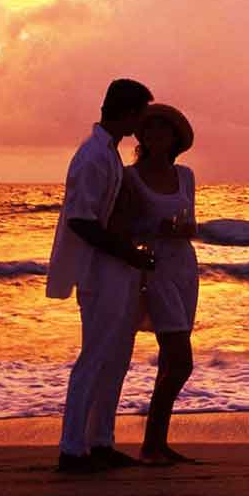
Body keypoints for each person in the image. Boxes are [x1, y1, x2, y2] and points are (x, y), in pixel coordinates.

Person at [46, 78, 155, 473]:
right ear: (126, 112)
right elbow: (81, 220)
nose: (142, 122)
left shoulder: (106, 153)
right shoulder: (92, 156)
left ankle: (101, 440)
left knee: (115, 358)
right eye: (139, 113)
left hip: (114, 269)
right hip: (98, 272)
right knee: (95, 357)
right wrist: (124, 250)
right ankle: (73, 448)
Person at [120, 104, 198, 466]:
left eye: (162, 131)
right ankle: (152, 441)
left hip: (184, 265)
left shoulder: (185, 175)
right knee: (181, 360)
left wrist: (182, 230)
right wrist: (154, 231)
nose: (155, 137)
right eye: (149, 131)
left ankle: (156, 444)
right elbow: (123, 227)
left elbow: (191, 224)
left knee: (170, 359)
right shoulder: (130, 178)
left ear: (174, 139)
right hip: (155, 267)